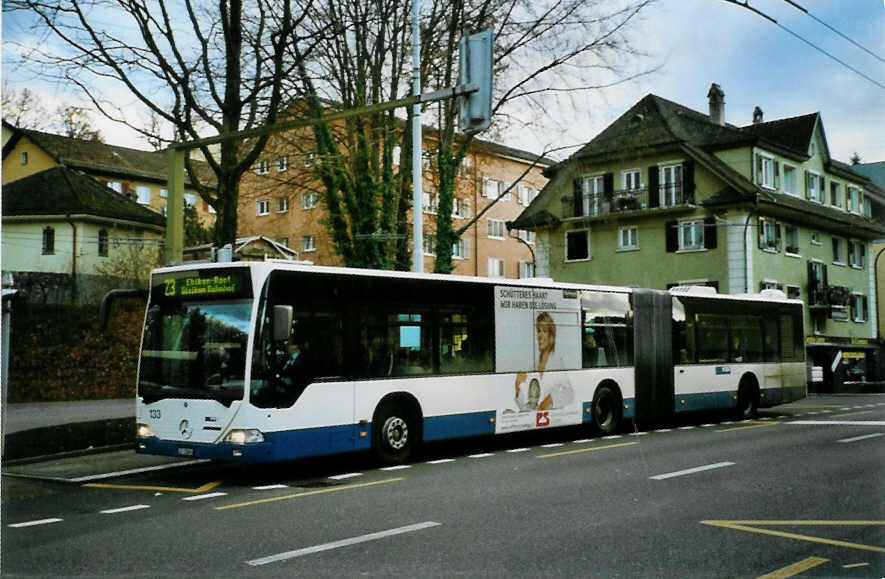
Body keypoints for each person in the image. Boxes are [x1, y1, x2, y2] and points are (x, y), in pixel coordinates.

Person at [514, 312, 573, 411]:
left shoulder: (557, 363)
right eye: (538, 331)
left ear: (551, 337)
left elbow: (570, 395)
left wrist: (550, 399)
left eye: (544, 331)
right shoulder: (533, 365)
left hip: (551, 416)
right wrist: (517, 386)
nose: (540, 335)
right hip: (533, 415)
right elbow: (523, 405)